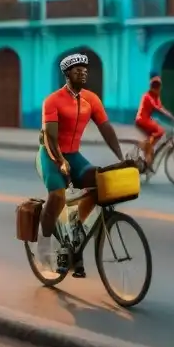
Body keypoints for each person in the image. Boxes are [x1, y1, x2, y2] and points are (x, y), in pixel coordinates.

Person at [37, 52, 124, 277]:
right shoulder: (53, 100)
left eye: (85, 69)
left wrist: (121, 157)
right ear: (67, 74)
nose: (83, 72)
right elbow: (50, 137)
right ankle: (43, 246)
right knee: (57, 196)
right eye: (78, 70)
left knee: (100, 183)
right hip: (50, 154)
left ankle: (74, 231)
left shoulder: (91, 99)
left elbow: (106, 128)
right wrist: (60, 161)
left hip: (74, 154)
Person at [134, 75, 174, 167]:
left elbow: (161, 107)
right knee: (160, 131)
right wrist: (173, 118)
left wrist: (171, 117)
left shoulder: (156, 96)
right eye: (158, 88)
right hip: (142, 119)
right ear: (154, 88)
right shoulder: (148, 96)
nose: (160, 90)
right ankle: (148, 149)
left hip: (147, 119)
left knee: (155, 130)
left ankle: (147, 156)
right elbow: (159, 108)